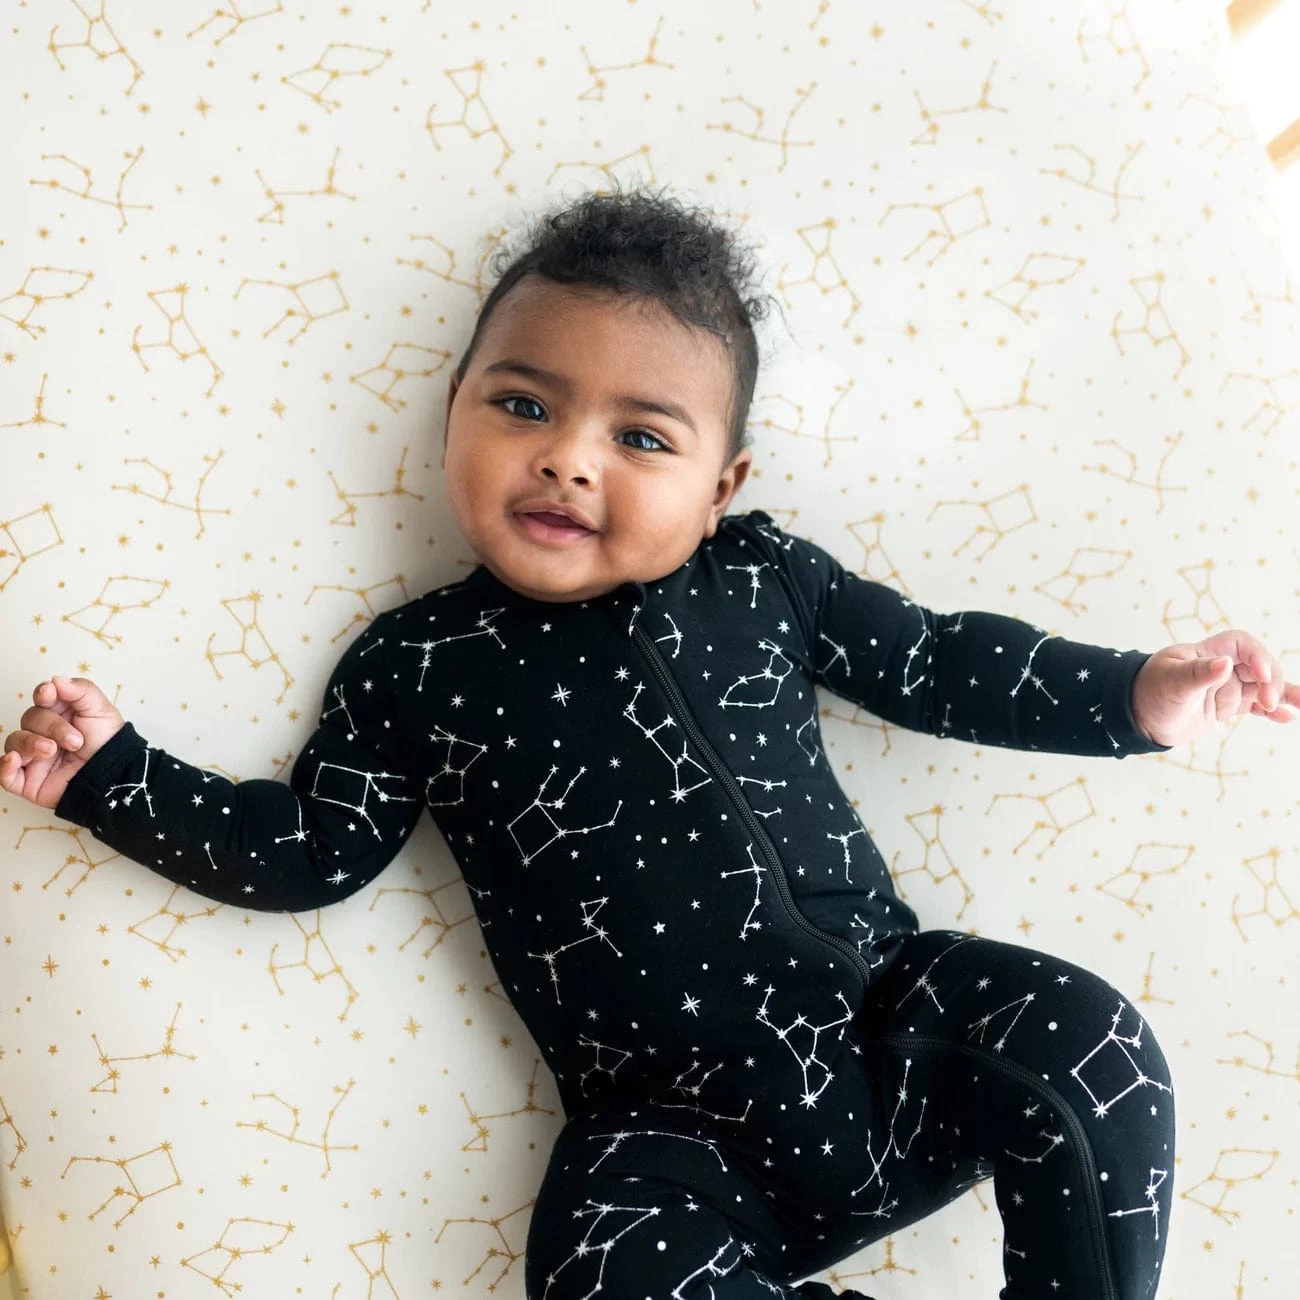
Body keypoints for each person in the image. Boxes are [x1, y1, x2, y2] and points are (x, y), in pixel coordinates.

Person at [4, 184, 1294, 1300]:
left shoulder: (762, 576)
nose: (568, 462)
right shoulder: (414, 664)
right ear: (453, 412)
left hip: (890, 1034)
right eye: (522, 405)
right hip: (679, 1149)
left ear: (722, 486)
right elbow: (309, 848)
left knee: (1088, 1039)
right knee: (595, 1262)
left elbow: (938, 661)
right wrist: (114, 778)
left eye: (640, 437)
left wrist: (1137, 695)